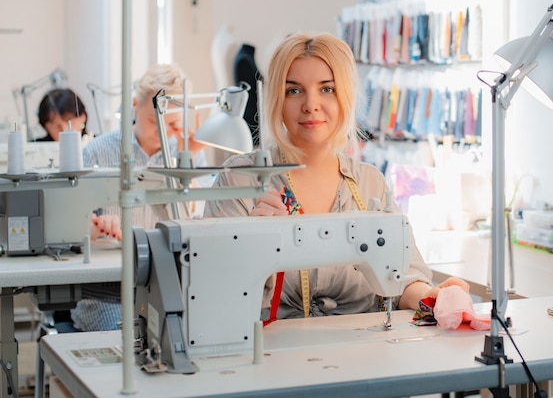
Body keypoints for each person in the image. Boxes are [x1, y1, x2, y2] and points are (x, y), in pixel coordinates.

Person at [204, 32, 468, 321]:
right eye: (294, 90)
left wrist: (434, 297)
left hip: (360, 355)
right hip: (269, 357)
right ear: (276, 99)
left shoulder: (370, 183)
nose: (310, 105)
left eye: (326, 89)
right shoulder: (240, 181)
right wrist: (254, 251)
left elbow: (403, 279)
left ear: (345, 95)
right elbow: (212, 295)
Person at [71, 63, 209, 331]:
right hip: (106, 289)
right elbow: (70, 230)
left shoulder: (185, 153)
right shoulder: (98, 153)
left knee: (190, 331)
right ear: (134, 105)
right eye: (152, 120)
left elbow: (198, 221)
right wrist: (95, 229)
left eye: (171, 124)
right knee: (127, 335)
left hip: (165, 278)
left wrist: (187, 163)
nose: (163, 131)